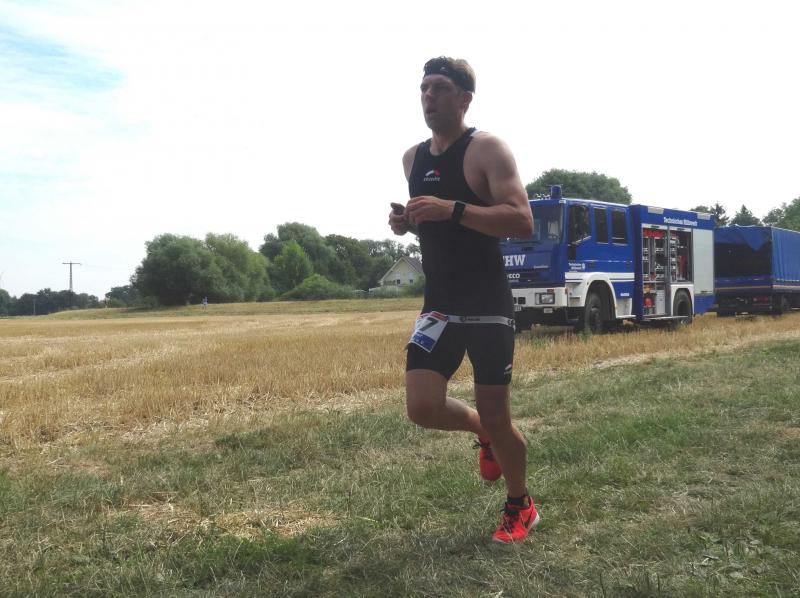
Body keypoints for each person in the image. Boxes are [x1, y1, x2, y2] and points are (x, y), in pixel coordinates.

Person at [389, 57, 537, 543]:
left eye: (439, 88)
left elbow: (521, 220)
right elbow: (439, 225)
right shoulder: (412, 159)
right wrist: (409, 222)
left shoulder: (487, 149)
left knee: (499, 414)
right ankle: (482, 433)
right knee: (421, 407)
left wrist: (451, 209)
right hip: (439, 302)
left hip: (487, 302)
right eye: (423, 88)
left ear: (464, 98)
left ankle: (520, 505)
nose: (428, 97)